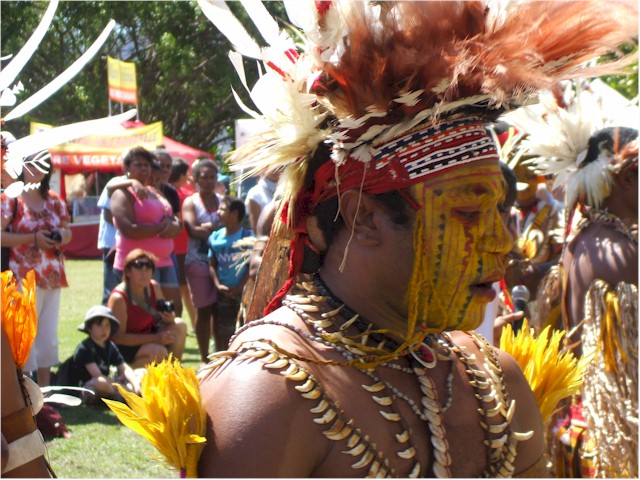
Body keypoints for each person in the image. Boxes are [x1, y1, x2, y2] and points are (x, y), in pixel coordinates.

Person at [193, 1, 636, 477]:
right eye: (468, 212)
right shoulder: (268, 395)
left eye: (499, 214)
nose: (501, 244)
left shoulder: (496, 382)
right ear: (362, 217)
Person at [555, 127, 638, 477]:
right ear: (629, 177)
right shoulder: (617, 253)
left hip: (583, 426)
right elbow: (628, 375)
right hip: (616, 444)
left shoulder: (584, 241)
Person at [0, 156, 72, 387]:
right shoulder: (11, 198)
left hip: (52, 276)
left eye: (42, 163)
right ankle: (25, 390)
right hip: (22, 277)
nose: (36, 168)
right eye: (31, 162)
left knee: (48, 337)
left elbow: (67, 230)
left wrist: (60, 236)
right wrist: (32, 238)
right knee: (24, 335)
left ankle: (46, 391)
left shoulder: (55, 200)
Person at [110, 146, 182, 307]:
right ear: (127, 168)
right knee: (145, 314)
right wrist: (161, 228)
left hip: (165, 261)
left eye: (147, 165)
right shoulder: (122, 193)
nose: (144, 168)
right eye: (138, 165)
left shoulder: (154, 192)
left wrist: (176, 226)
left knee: (173, 309)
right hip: (139, 265)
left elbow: (173, 217)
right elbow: (128, 229)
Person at [107, 249, 187, 369]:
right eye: (139, 266)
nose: (144, 271)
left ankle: (172, 374)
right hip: (125, 347)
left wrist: (168, 318)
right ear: (128, 272)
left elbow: (161, 319)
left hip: (149, 337)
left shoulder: (154, 287)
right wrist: (157, 338)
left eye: (148, 266)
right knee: (158, 352)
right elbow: (118, 338)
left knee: (179, 325)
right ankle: (122, 374)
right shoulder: (119, 298)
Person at [182, 159, 222, 363]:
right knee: (203, 309)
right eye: (204, 177)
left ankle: (219, 354)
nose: (208, 181)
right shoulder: (191, 202)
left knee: (219, 309)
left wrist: (206, 227)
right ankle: (205, 357)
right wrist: (216, 229)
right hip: (197, 262)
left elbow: (233, 226)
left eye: (212, 177)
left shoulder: (223, 200)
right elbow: (192, 229)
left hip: (221, 262)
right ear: (196, 179)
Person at [64, 305, 143, 402]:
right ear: (89, 328)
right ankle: (124, 395)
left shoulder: (109, 345)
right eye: (99, 325)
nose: (104, 329)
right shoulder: (85, 347)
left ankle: (128, 393)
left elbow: (124, 367)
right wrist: (125, 388)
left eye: (107, 325)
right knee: (100, 382)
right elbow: (97, 375)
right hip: (89, 387)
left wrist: (135, 384)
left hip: (109, 383)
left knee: (141, 372)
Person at [207, 196, 253, 351]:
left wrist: (240, 287)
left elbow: (250, 267)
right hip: (223, 291)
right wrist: (217, 284)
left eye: (222, 209)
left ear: (234, 214)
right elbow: (212, 264)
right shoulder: (215, 237)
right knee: (224, 329)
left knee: (244, 327)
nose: (218, 212)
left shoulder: (247, 237)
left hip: (243, 292)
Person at [169, 156, 197, 331]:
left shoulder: (164, 192)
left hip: (173, 248)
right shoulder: (186, 195)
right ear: (182, 175)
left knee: (179, 290)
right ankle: (194, 324)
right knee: (186, 291)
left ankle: (187, 324)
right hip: (183, 248)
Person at [96, 168, 129, 305]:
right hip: (112, 245)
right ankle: (105, 324)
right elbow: (108, 215)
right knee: (111, 291)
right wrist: (131, 227)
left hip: (129, 243)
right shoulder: (116, 182)